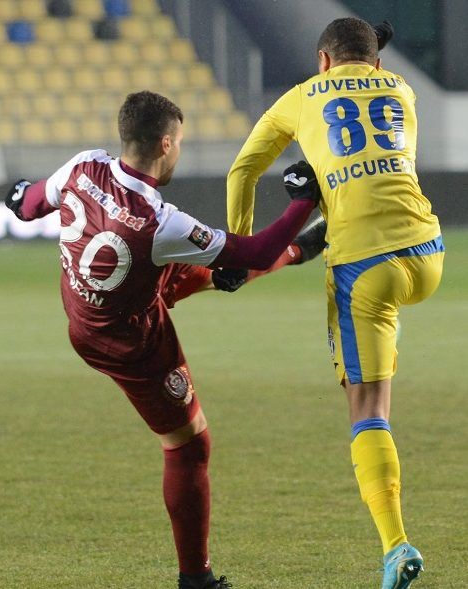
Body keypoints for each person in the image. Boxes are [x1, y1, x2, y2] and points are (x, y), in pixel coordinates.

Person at [4, 90, 325, 589]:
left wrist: (18, 193)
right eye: (179, 144)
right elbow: (258, 251)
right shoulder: (160, 222)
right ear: (165, 144)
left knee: (222, 271)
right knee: (189, 447)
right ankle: (196, 579)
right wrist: (304, 200)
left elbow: (28, 206)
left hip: (90, 306)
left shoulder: (83, 166)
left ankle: (300, 251)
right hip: (127, 337)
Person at [226, 18, 442, 589]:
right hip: (427, 253)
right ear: (376, 62)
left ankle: (396, 547)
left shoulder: (301, 97)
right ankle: (381, 339)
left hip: (364, 266)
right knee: (383, 318)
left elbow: (244, 169)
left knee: (367, 408)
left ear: (322, 61)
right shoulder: (401, 88)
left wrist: (240, 247)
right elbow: (363, 96)